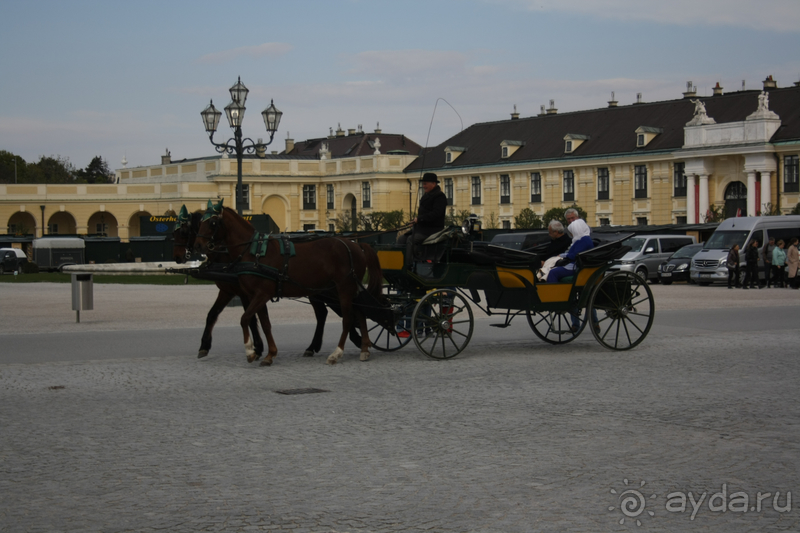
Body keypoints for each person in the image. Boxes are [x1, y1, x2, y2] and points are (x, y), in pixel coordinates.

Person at [397, 172, 447, 270]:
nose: (423, 186)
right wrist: (415, 221)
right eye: (423, 184)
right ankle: (398, 264)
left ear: (433, 184)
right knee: (401, 239)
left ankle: (408, 266)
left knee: (411, 240)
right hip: (422, 228)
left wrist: (419, 219)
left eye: (425, 184)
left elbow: (436, 214)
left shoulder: (440, 196)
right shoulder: (426, 195)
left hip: (432, 230)